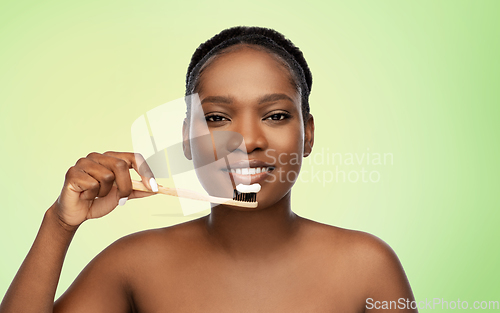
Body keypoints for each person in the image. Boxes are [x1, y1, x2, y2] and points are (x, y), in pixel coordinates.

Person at [0, 26, 417, 312]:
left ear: (307, 135)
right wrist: (58, 224)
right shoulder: (133, 265)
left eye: (274, 116)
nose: (247, 140)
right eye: (217, 118)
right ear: (187, 139)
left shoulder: (367, 265)